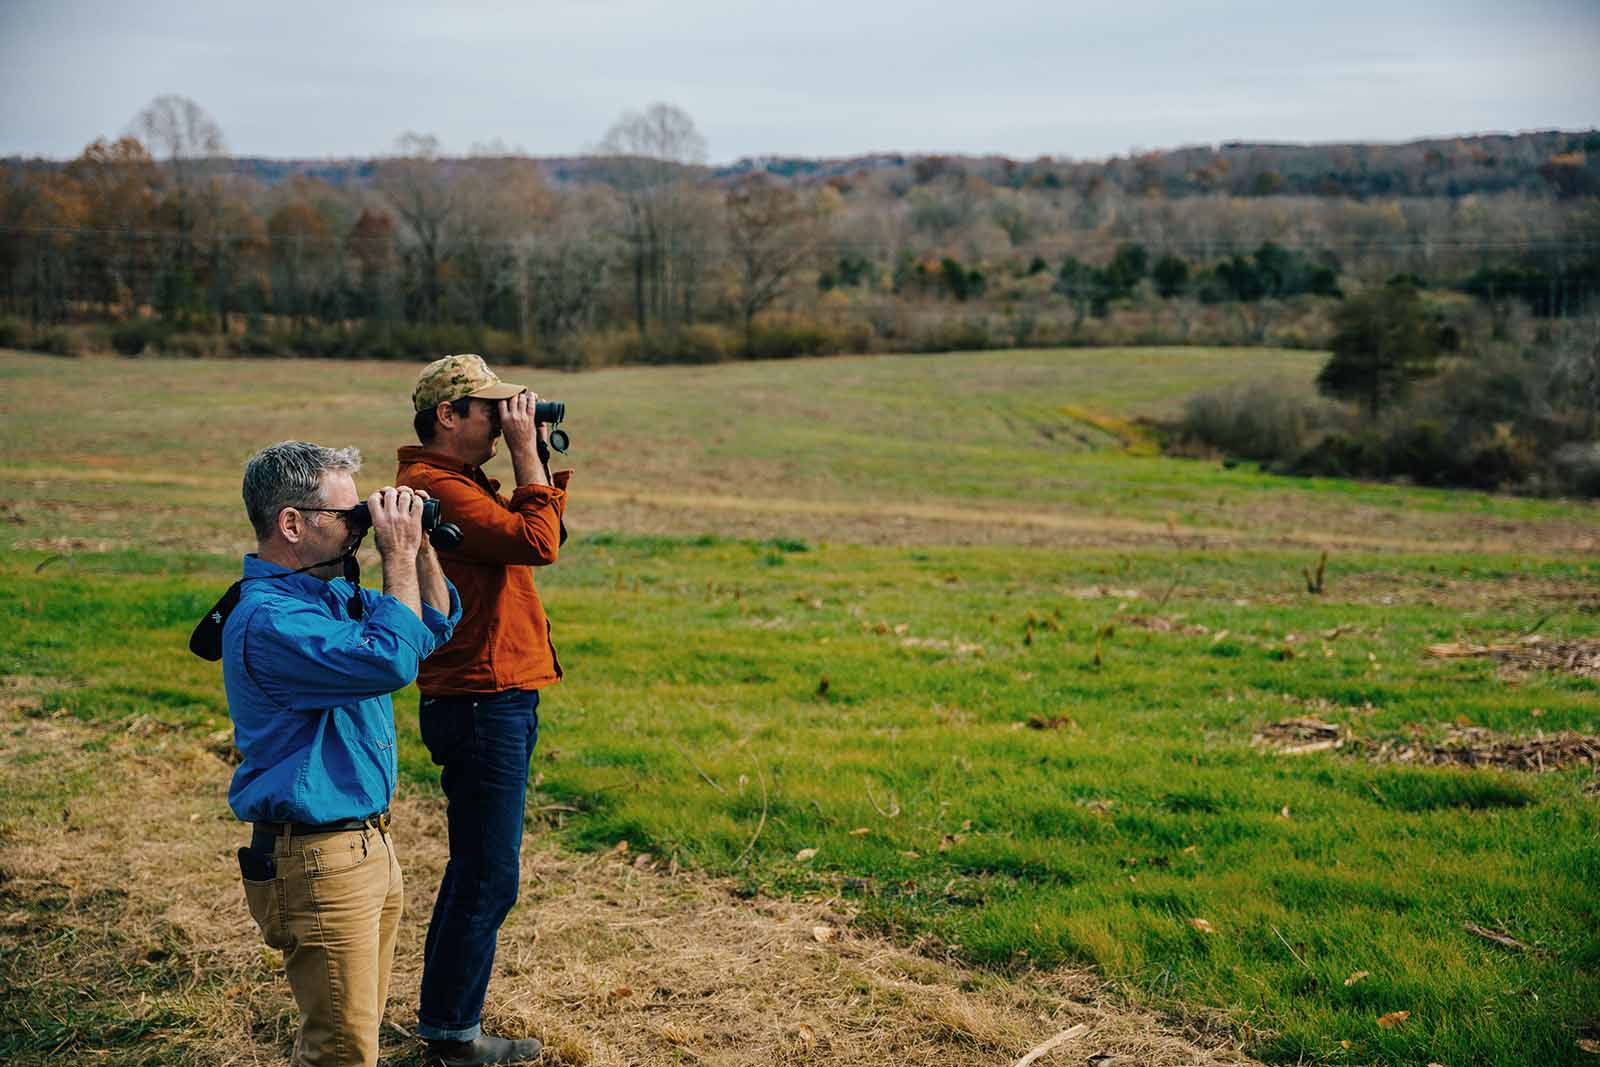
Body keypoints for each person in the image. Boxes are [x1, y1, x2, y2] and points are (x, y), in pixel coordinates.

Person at [223, 441, 460, 1067]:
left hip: (366, 846)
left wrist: (422, 543)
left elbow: (429, 628)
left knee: (359, 1038)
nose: (361, 528)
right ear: (292, 524)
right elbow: (390, 658)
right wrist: (397, 556)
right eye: (347, 516)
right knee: (341, 1052)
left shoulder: (324, 595)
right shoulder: (270, 619)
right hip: (319, 858)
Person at [396, 354, 570, 1067]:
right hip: (479, 696)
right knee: (488, 872)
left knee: (476, 868)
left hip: (493, 691)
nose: (504, 422)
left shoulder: (457, 484)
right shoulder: (432, 486)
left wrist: (524, 464)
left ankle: (446, 1025)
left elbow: (530, 538)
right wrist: (530, 452)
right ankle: (451, 1039)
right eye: (489, 409)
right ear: (448, 415)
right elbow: (538, 541)